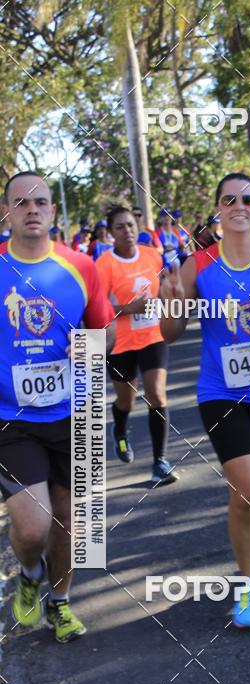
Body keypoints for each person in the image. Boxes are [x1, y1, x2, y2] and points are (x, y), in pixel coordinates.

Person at [161, 173, 250, 629]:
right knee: (248, 488)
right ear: (218, 210)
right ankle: (246, 586)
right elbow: (169, 333)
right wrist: (171, 304)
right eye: (229, 199)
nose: (239, 205)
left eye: (248, 199)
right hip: (220, 392)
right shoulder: (198, 266)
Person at [0, 172, 115, 642]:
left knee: (70, 525)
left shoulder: (81, 266)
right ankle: (29, 574)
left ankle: (61, 602)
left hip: (76, 413)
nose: (32, 209)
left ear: (52, 211)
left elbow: (107, 331)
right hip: (13, 418)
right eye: (21, 202)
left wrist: (87, 344)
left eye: (41, 201)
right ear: (6, 211)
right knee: (33, 527)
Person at [96, 206, 179, 485]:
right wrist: (132, 308)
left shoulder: (152, 256)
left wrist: (170, 294)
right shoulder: (104, 265)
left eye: (130, 225)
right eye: (120, 227)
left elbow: (165, 287)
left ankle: (160, 462)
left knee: (157, 395)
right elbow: (99, 310)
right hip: (119, 343)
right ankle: (120, 428)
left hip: (152, 337)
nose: (127, 231)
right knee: (126, 400)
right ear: (111, 233)